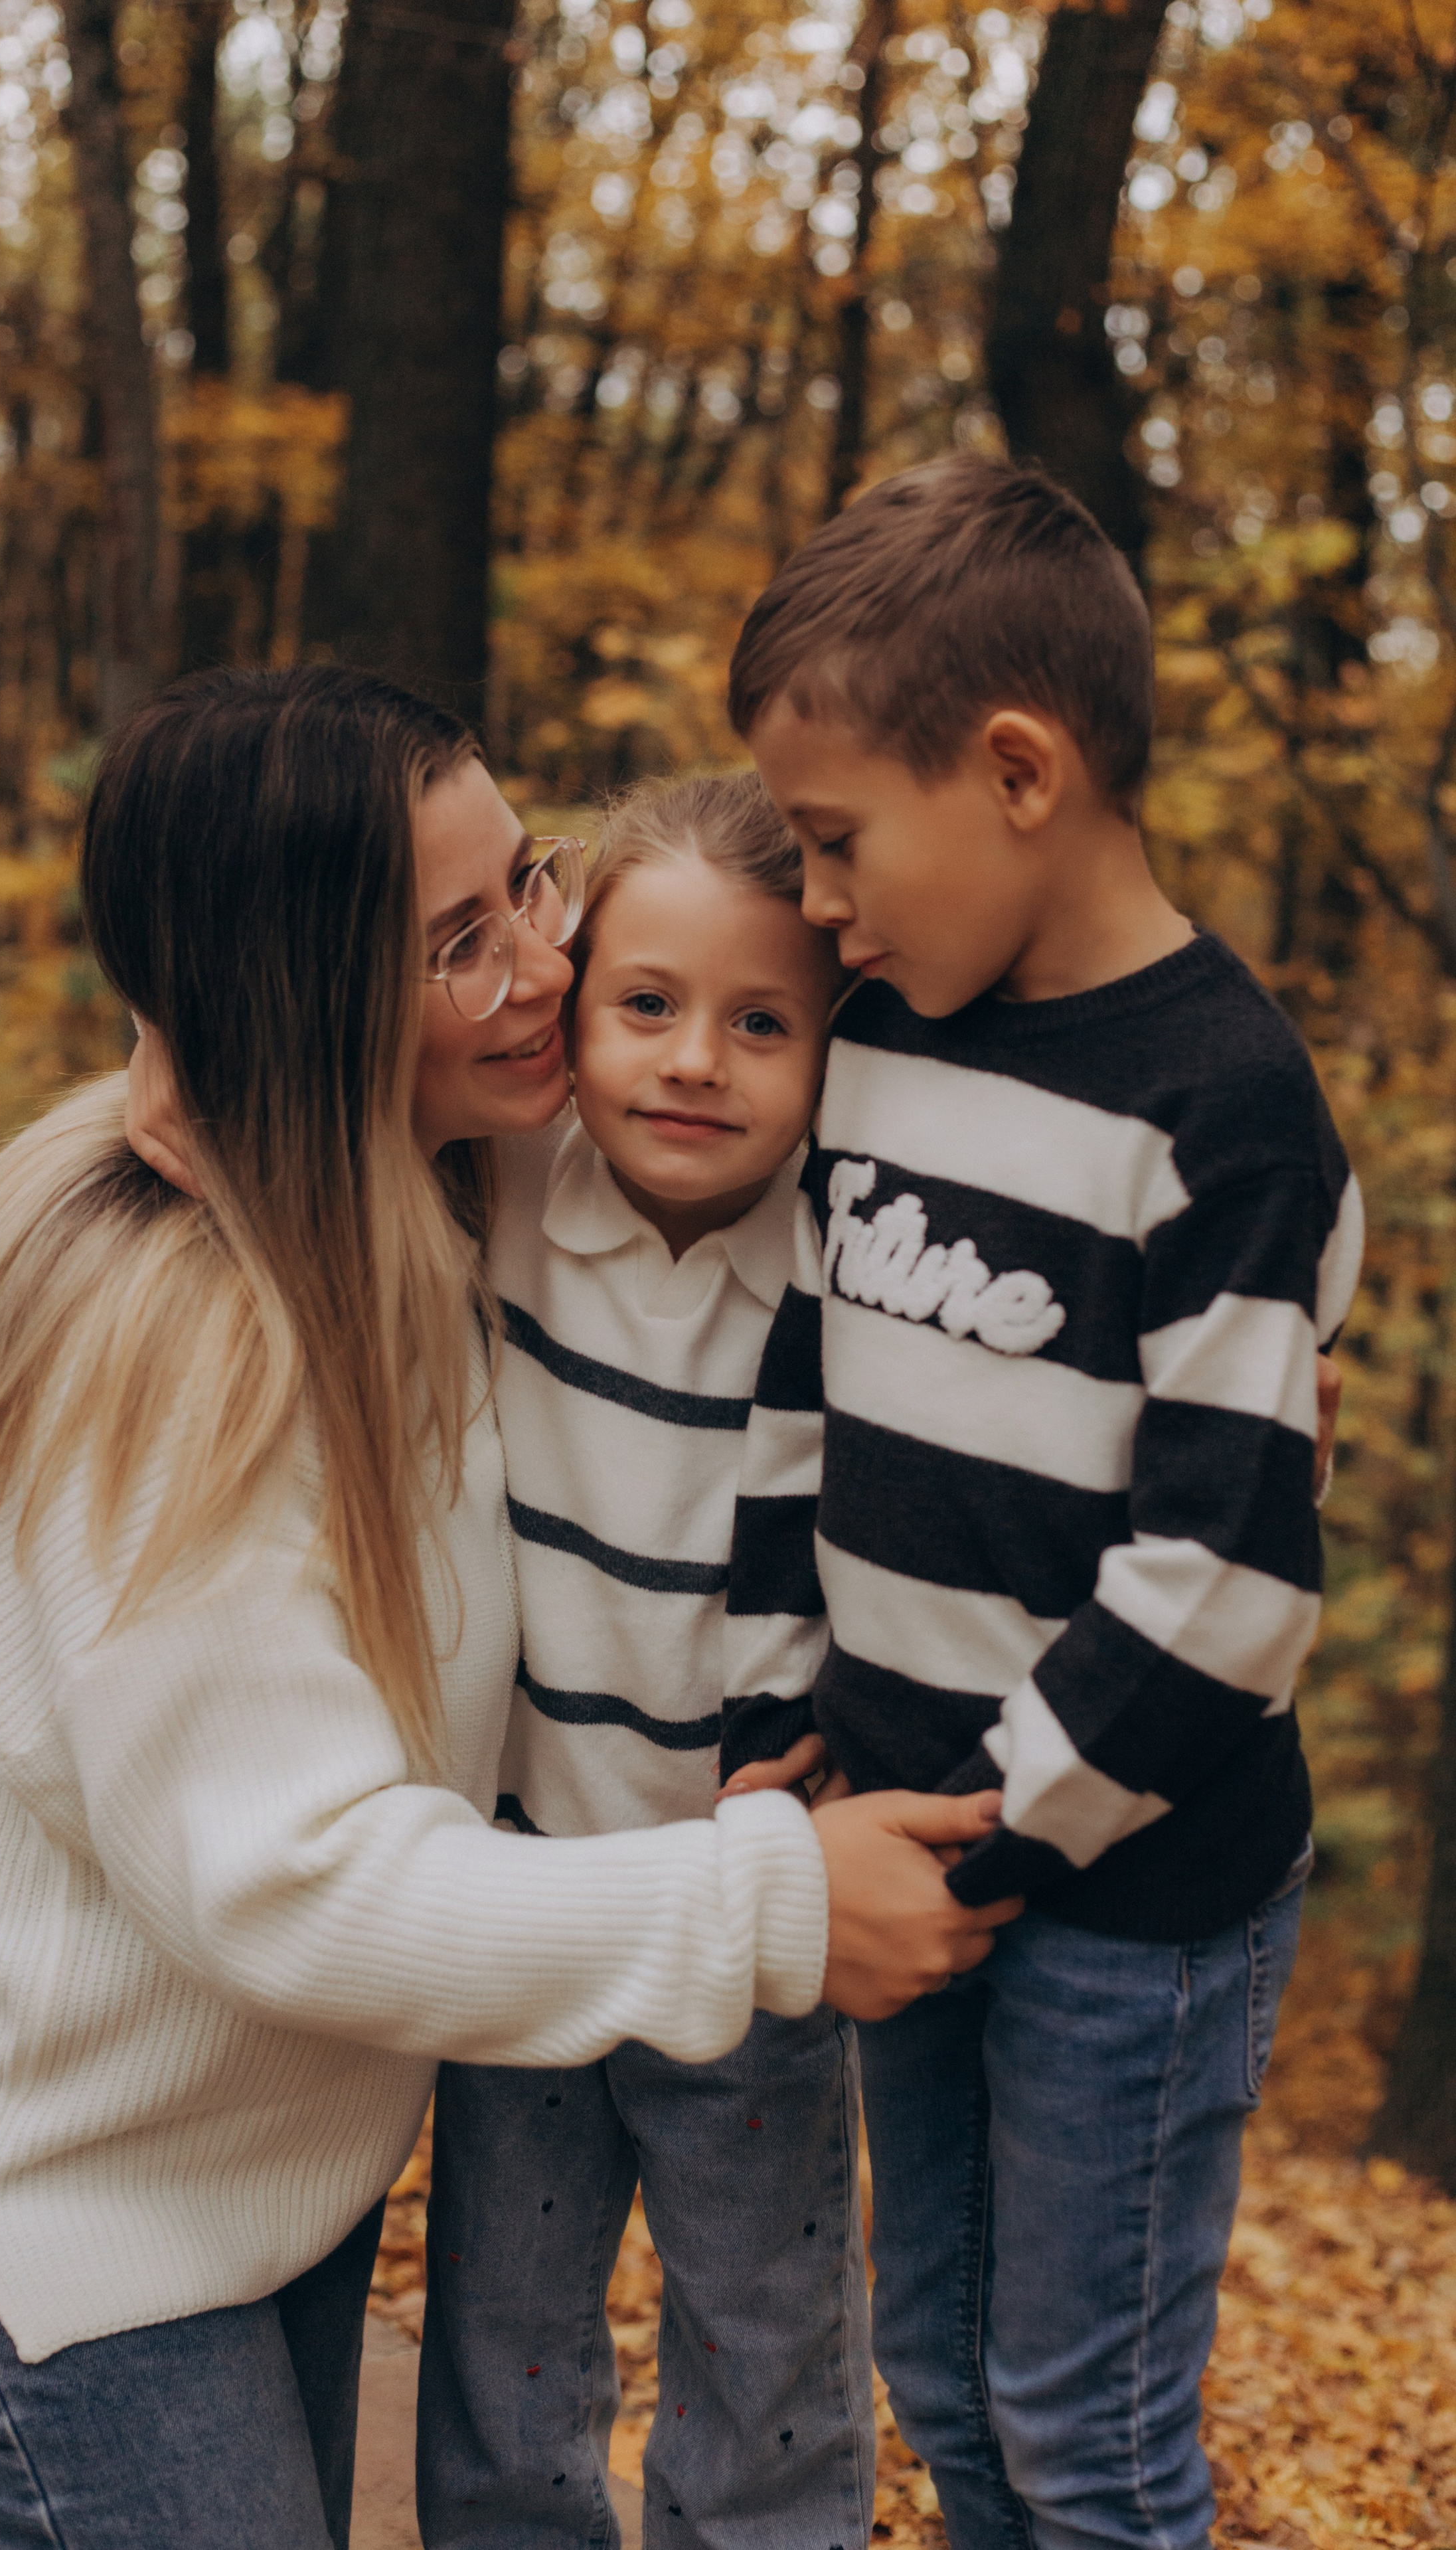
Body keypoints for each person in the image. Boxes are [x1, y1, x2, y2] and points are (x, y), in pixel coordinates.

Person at [0, 665, 1012, 2550]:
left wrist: (1179, 1356)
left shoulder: (421, 1176)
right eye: (455, 942)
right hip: (32, 2207)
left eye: (530, 879)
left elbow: (850, 1084)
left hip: (258, 2168)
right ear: (306, 1005)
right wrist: (777, 1900)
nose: (543, 966)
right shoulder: (161, 1349)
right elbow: (298, 1881)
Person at [719, 456, 1366, 2550]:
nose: (818, 907)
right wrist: (772, 1713)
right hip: (906, 1843)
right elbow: (807, 1388)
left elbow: (1233, 1577)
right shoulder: (890, 1041)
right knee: (947, 2387)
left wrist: (1000, 1838)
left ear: (1016, 768)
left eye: (835, 844)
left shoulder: (1227, 1115)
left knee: (1084, 2434)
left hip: (1120, 1897)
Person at [419, 774, 878, 2550]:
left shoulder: (854, 1261)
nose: (695, 1060)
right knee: (507, 2358)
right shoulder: (508, 1181)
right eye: (648, 1006)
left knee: (766, 2366)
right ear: (578, 1006)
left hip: (754, 1914)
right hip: (526, 1901)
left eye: (762, 1023)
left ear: (837, 1050)